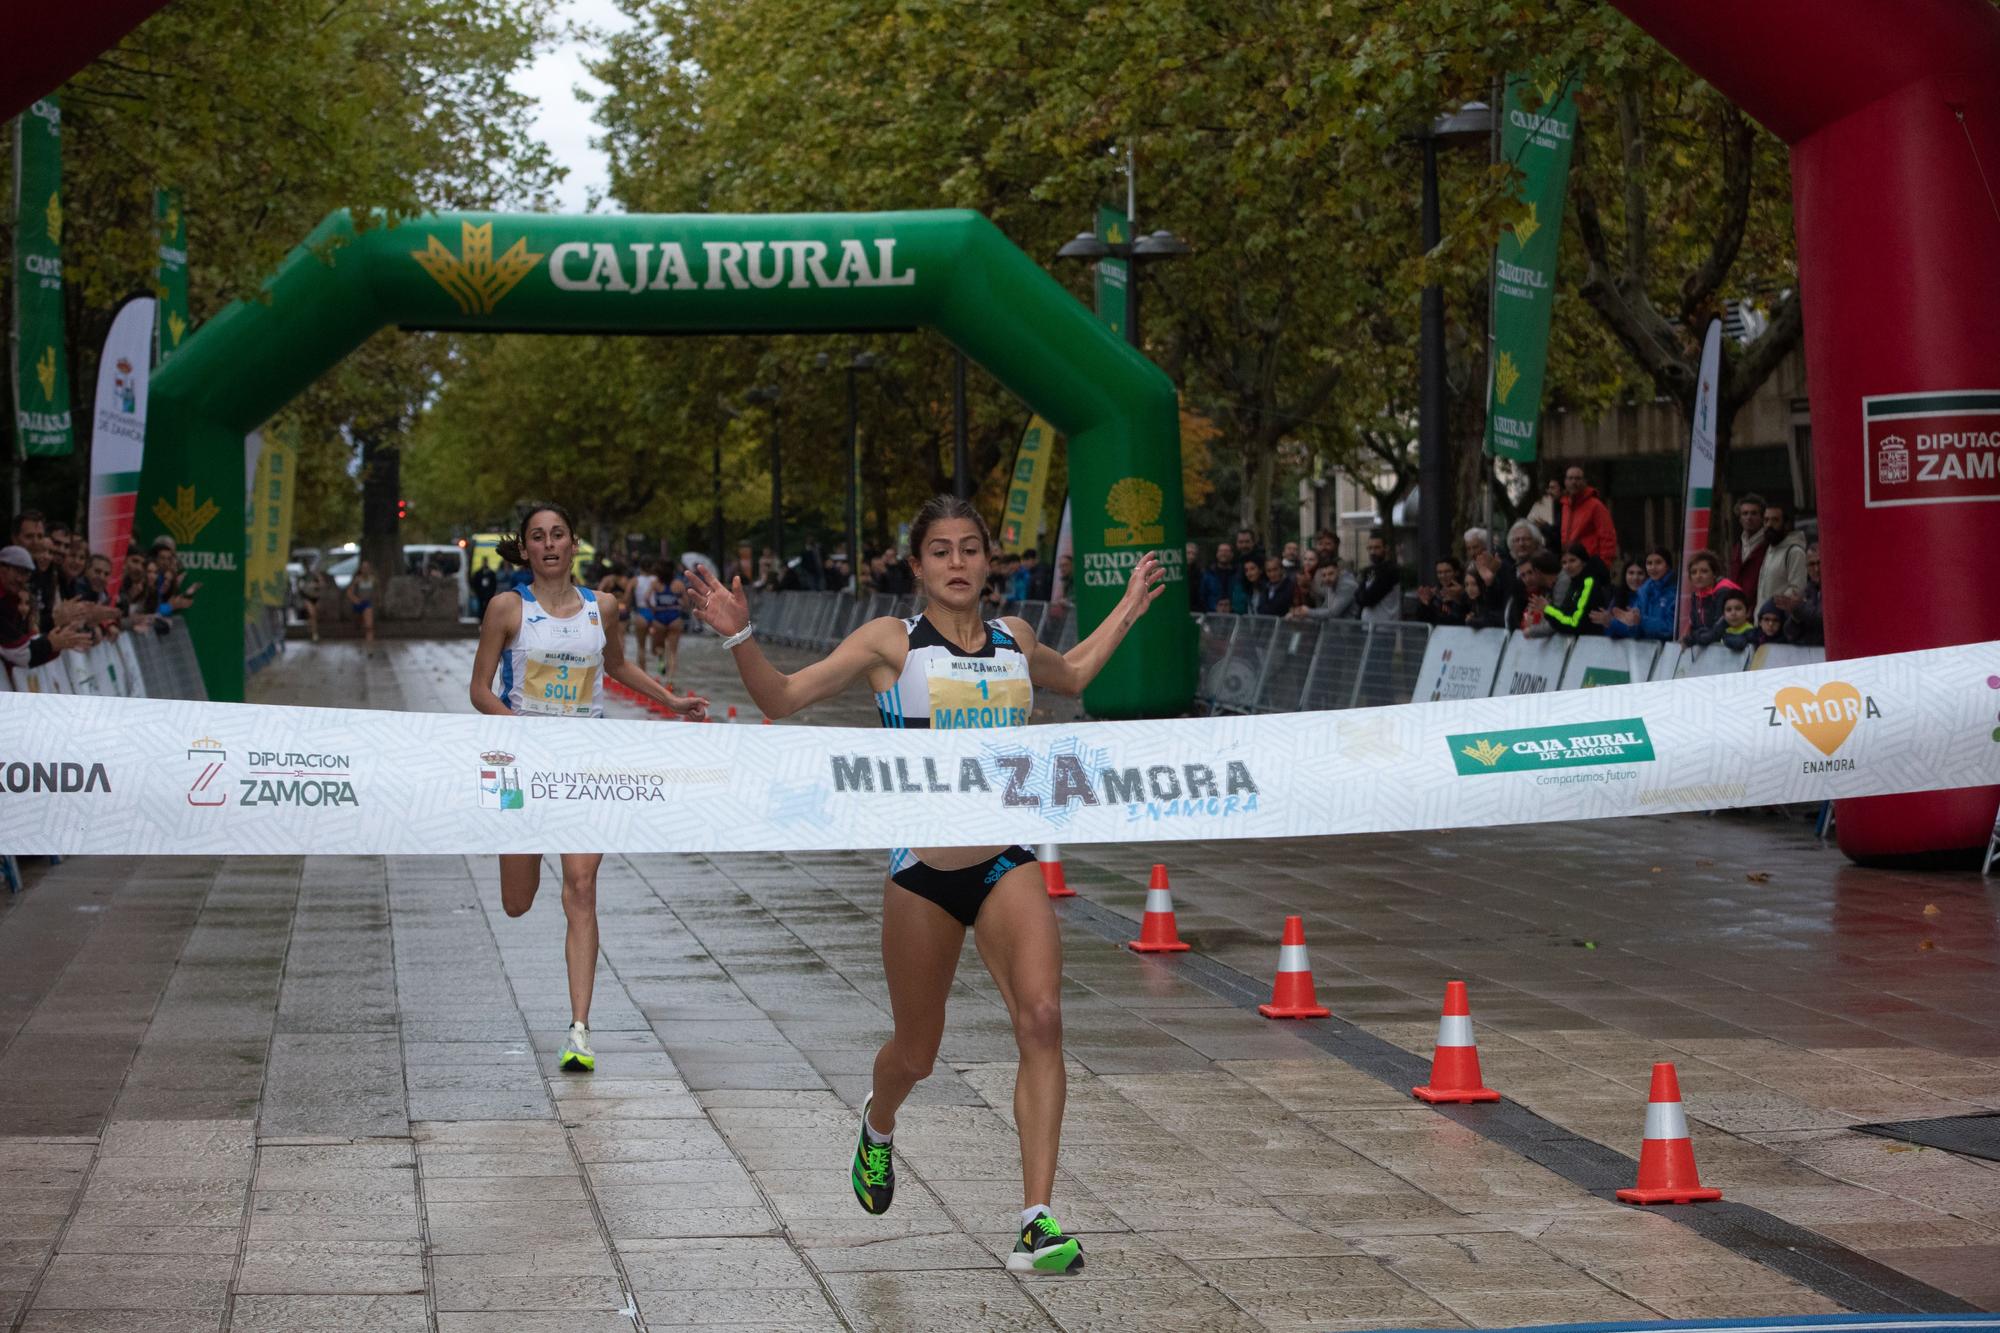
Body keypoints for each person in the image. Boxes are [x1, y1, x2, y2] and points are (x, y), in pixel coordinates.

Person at [684, 494, 1164, 1277]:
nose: (957, 562)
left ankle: (1036, 1222)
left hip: (1006, 858)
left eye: (970, 547)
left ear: (989, 560)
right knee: (916, 1052)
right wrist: (740, 634)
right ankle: (878, 1123)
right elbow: (781, 698)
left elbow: (1074, 674)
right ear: (917, 565)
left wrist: (1129, 610)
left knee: (1043, 1018)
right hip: (923, 873)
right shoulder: (892, 643)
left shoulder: (1015, 639)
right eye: (940, 550)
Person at [469, 503, 707, 1073]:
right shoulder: (507, 608)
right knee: (517, 903)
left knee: (581, 886)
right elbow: (479, 690)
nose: (549, 544)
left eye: (558, 534)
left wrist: (670, 700)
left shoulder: (603, 607)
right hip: (525, 770)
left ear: (573, 544)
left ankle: (579, 1030)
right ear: (526, 548)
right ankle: (575, 1019)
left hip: (585, 768)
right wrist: (519, 730)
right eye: (538, 536)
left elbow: (618, 666)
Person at [0, 544, 86, 674]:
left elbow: (24, 639)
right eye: (18, 571)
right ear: (2, 568)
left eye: (26, 574)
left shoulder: (13, 597)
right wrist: (51, 642)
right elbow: (20, 653)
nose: (20, 579)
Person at [1603, 547, 1677, 640]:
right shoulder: (1643, 591)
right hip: (1646, 647)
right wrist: (1613, 623)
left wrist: (1640, 621)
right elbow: (1635, 632)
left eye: (1658, 562)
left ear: (1668, 565)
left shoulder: (1676, 591)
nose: (1653, 567)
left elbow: (1671, 628)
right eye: (1649, 563)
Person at [1543, 543, 1611, 636]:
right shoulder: (1574, 583)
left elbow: (1574, 623)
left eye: (1572, 560)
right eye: (1564, 562)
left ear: (1583, 562)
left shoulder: (1589, 583)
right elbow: (1565, 614)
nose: (1568, 566)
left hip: (1591, 640)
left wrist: (1548, 609)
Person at [1681, 550, 1742, 648]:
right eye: (1693, 572)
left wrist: (1692, 639)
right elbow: (1695, 627)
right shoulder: (1696, 596)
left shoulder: (1724, 592)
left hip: (1728, 647)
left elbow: (1717, 630)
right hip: (1708, 647)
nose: (1698, 576)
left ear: (1714, 573)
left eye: (1704, 571)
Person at [1559, 466, 1619, 565]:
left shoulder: (1595, 505)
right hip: (1570, 562)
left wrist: (1604, 564)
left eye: (1578, 478)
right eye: (1570, 478)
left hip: (1589, 562)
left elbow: (1607, 536)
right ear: (1565, 482)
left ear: (1584, 482)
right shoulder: (1566, 505)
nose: (1574, 482)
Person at [1757, 503, 1809, 610]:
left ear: (1786, 524)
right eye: (1766, 520)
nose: (1769, 525)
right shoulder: (1771, 549)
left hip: (1779, 617)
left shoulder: (1795, 552)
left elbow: (1797, 590)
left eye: (1775, 520)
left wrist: (1772, 610)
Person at [649, 559, 687, 682]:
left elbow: (646, 598)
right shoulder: (679, 584)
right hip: (674, 617)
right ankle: (670, 681)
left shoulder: (655, 584)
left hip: (659, 617)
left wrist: (652, 608)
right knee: (673, 652)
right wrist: (680, 606)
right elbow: (686, 603)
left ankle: (661, 659)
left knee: (659, 646)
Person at [1506, 550, 1560, 637]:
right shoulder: (1519, 598)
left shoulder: (1553, 591)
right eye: (1523, 575)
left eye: (1530, 572)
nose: (1528, 579)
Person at [1290, 555, 1358, 621]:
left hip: (1349, 627)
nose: (1327, 578)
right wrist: (1299, 612)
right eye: (1324, 575)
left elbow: (1333, 613)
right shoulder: (1331, 584)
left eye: (1331, 574)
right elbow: (1325, 608)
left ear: (1338, 571)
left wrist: (1308, 612)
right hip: (1336, 626)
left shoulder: (1347, 586)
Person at [1355, 531, 1401, 623]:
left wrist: (1362, 594)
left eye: (1377, 548)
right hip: (1369, 625)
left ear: (1386, 548)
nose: (1372, 552)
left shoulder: (1390, 571)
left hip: (1385, 627)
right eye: (1370, 548)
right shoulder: (1370, 571)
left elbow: (1368, 599)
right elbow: (1358, 595)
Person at [1783, 543, 1824, 647]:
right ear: (1806, 567)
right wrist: (1796, 617)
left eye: (1819, 563)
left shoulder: (1836, 590)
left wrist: (1800, 608)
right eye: (1811, 564)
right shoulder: (1805, 592)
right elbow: (1789, 634)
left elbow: (1824, 619)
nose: (1816, 569)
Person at [1727, 493, 1768, 595]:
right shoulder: (1737, 547)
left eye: (1754, 513)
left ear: (1762, 517)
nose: (1749, 517)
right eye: (1745, 513)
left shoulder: (1769, 545)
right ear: (1740, 519)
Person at [1199, 541, 1238, 614]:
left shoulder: (1237, 574)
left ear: (1232, 554)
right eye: (1221, 551)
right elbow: (1202, 596)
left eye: (1226, 551)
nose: (1223, 553)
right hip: (1212, 614)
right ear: (1217, 554)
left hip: (1234, 614)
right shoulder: (1207, 574)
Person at [347, 559, 378, 650]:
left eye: (367, 568)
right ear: (361, 569)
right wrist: (355, 599)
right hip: (358, 603)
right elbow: (349, 592)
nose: (365, 570)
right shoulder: (357, 579)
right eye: (363, 568)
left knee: (369, 626)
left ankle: (370, 648)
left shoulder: (373, 579)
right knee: (359, 621)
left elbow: (377, 592)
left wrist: (376, 600)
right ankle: (359, 623)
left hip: (367, 603)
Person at [1527, 477, 1563, 551]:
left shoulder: (1564, 508)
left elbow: (1559, 534)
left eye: (1553, 488)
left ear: (1561, 490)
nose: (1549, 491)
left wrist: (1543, 526)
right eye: (1549, 488)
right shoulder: (1542, 505)